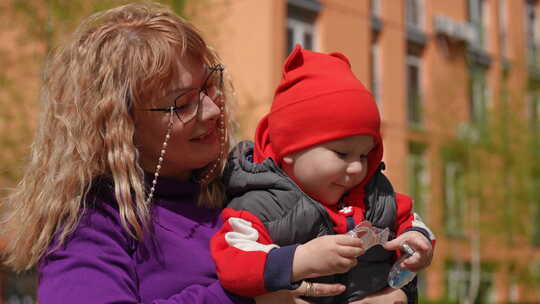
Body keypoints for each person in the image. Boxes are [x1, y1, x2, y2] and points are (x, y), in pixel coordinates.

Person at [0, 3, 380, 303]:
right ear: (118, 125)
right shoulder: (89, 223)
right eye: (181, 104)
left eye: (209, 87)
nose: (213, 110)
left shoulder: (248, 183)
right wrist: (250, 294)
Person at [211, 46, 436, 304]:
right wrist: (300, 260)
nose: (356, 168)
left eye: (364, 155)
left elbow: (410, 219)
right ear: (290, 149)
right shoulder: (258, 206)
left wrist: (419, 243)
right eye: (342, 154)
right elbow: (232, 261)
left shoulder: (375, 194)